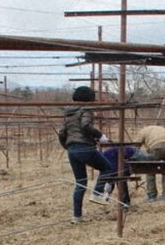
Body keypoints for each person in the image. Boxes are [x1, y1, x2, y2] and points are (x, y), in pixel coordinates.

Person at [57, 86, 114, 223]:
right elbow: (85, 126)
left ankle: (77, 216)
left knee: (80, 183)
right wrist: (101, 136)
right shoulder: (85, 109)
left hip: (72, 150)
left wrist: (68, 146)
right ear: (90, 99)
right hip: (84, 148)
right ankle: (97, 193)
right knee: (108, 168)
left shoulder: (68, 114)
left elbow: (62, 133)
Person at [97, 145, 149, 210]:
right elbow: (112, 173)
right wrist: (108, 188)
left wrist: (108, 187)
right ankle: (125, 203)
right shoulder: (105, 158)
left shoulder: (106, 156)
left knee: (153, 158)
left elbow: (113, 171)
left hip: (135, 154)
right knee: (120, 179)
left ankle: (125, 203)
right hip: (129, 160)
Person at [134, 124, 165, 202]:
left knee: (150, 172)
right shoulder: (162, 128)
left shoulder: (143, 131)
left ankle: (151, 196)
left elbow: (135, 146)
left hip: (156, 147)